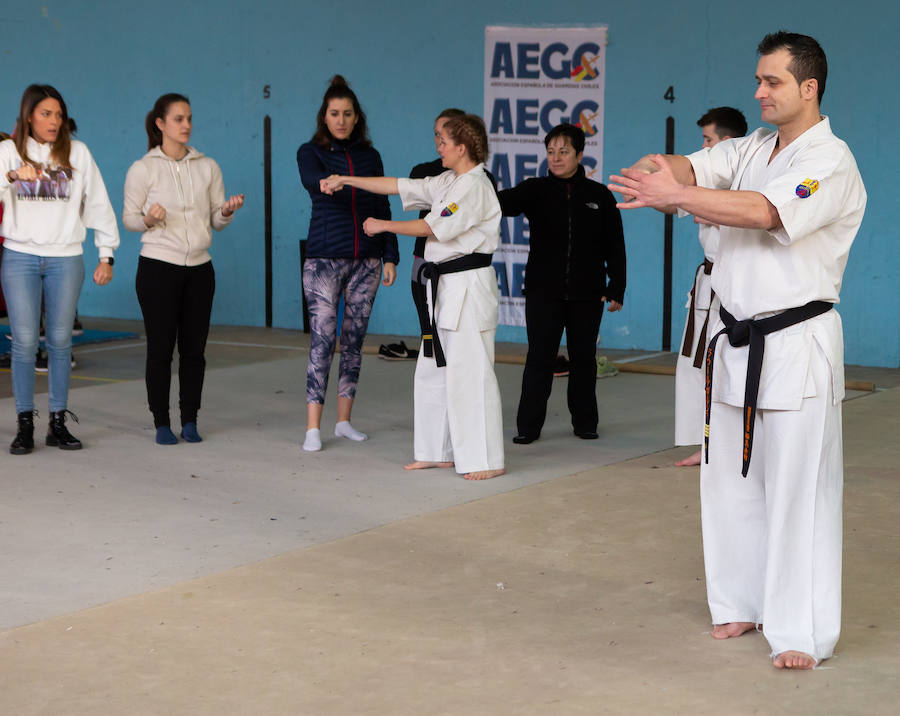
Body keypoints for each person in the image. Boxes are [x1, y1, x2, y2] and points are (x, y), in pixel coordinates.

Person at [609, 32, 866, 669]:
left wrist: (677, 196)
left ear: (809, 88)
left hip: (796, 339)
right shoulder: (751, 146)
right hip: (735, 338)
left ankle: (801, 630)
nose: (758, 92)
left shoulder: (830, 161)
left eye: (772, 81)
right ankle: (739, 603)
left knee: (796, 491)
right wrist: (656, 171)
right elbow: (692, 169)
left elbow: (762, 212)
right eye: (757, 79)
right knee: (731, 481)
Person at [321, 114, 505, 480]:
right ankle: (436, 451)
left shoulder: (475, 185)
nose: (438, 146)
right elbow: (398, 185)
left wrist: (383, 226)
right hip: (442, 290)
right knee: (432, 371)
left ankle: (486, 460)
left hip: (469, 285)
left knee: (471, 374)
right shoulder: (450, 180)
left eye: (443, 140)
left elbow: (430, 227)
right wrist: (346, 179)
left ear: (462, 147)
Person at [0, 84, 119, 453]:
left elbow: (98, 203)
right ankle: (24, 425)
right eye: (45, 114)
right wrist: (12, 178)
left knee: (61, 342)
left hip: (66, 258)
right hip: (19, 256)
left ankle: (57, 422)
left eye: (58, 114)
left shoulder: (78, 153)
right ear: (29, 116)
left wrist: (106, 253)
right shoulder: (7, 152)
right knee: (22, 344)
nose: (54, 121)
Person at [123, 93, 244, 445]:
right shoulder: (142, 168)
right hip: (158, 267)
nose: (186, 125)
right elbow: (129, 219)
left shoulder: (208, 166)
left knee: (195, 351)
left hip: (200, 271)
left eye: (189, 118)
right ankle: (162, 422)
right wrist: (148, 219)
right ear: (160, 124)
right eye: (178, 119)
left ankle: (189, 420)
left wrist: (226, 211)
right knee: (160, 349)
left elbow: (214, 222)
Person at [498, 123, 625, 444]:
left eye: (563, 152)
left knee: (583, 360)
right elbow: (496, 203)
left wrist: (616, 288)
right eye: (551, 152)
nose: (556, 158)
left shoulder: (599, 196)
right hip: (543, 293)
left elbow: (615, 245)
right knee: (539, 358)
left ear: (580, 155)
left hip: (588, 294)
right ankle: (528, 427)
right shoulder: (534, 189)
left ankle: (585, 423)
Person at [297, 75, 399, 451]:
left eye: (347, 114)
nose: (341, 120)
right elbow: (311, 178)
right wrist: (326, 182)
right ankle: (312, 428)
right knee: (322, 340)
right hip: (324, 260)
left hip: (367, 262)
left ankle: (343, 421)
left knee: (354, 342)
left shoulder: (370, 158)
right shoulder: (311, 152)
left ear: (358, 118)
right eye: (334, 113)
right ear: (325, 117)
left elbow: (383, 205)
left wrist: (390, 255)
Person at [674, 108, 747, 467]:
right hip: (707, 280)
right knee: (693, 365)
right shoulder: (705, 183)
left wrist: (702, 205)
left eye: (707, 141)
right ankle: (703, 442)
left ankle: (724, 443)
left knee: (723, 365)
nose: (702, 147)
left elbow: (708, 213)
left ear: (727, 143)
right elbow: (680, 206)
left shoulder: (748, 182)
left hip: (732, 285)